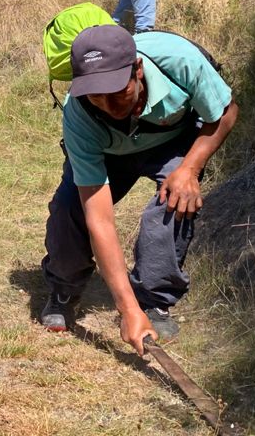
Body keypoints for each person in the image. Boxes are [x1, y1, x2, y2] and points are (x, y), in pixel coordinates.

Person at [40, 23, 238, 356]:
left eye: (118, 90)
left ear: (138, 70)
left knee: (176, 200)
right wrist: (124, 308)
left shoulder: (180, 61)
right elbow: (100, 220)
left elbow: (225, 112)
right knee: (68, 209)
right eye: (96, 94)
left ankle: (153, 301)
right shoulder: (79, 114)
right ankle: (64, 289)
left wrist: (189, 168)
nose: (106, 102)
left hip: (172, 142)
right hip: (108, 152)